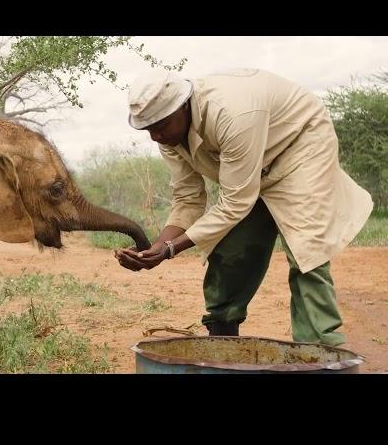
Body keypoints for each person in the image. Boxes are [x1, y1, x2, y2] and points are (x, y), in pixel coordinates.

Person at [114, 68, 373, 346]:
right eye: (148, 128)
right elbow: (188, 196)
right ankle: (222, 335)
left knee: (307, 251)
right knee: (233, 247)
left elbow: (236, 202)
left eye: (160, 125)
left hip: (300, 148)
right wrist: (159, 246)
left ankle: (321, 349)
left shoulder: (232, 114)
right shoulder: (169, 135)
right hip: (253, 167)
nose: (155, 136)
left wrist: (172, 249)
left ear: (183, 105)